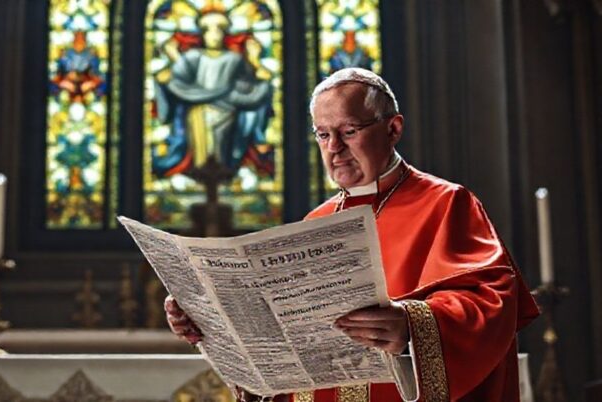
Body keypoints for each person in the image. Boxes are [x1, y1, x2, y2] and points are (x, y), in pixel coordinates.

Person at [164, 67, 540, 402]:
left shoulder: (445, 203)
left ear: (393, 129)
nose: (334, 149)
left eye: (349, 131)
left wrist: (413, 326)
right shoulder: (315, 222)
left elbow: (493, 304)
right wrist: (211, 325)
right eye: (323, 135)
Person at [151, 10, 275, 177]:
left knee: (223, 151)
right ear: (203, 34)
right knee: (200, 145)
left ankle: (225, 170)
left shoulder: (234, 59)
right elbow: (178, 82)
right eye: (209, 31)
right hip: (198, 114)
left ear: (224, 34)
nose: (214, 35)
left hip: (227, 113)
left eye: (219, 30)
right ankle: (202, 169)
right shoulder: (192, 57)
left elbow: (248, 88)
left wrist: (254, 60)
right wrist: (173, 61)